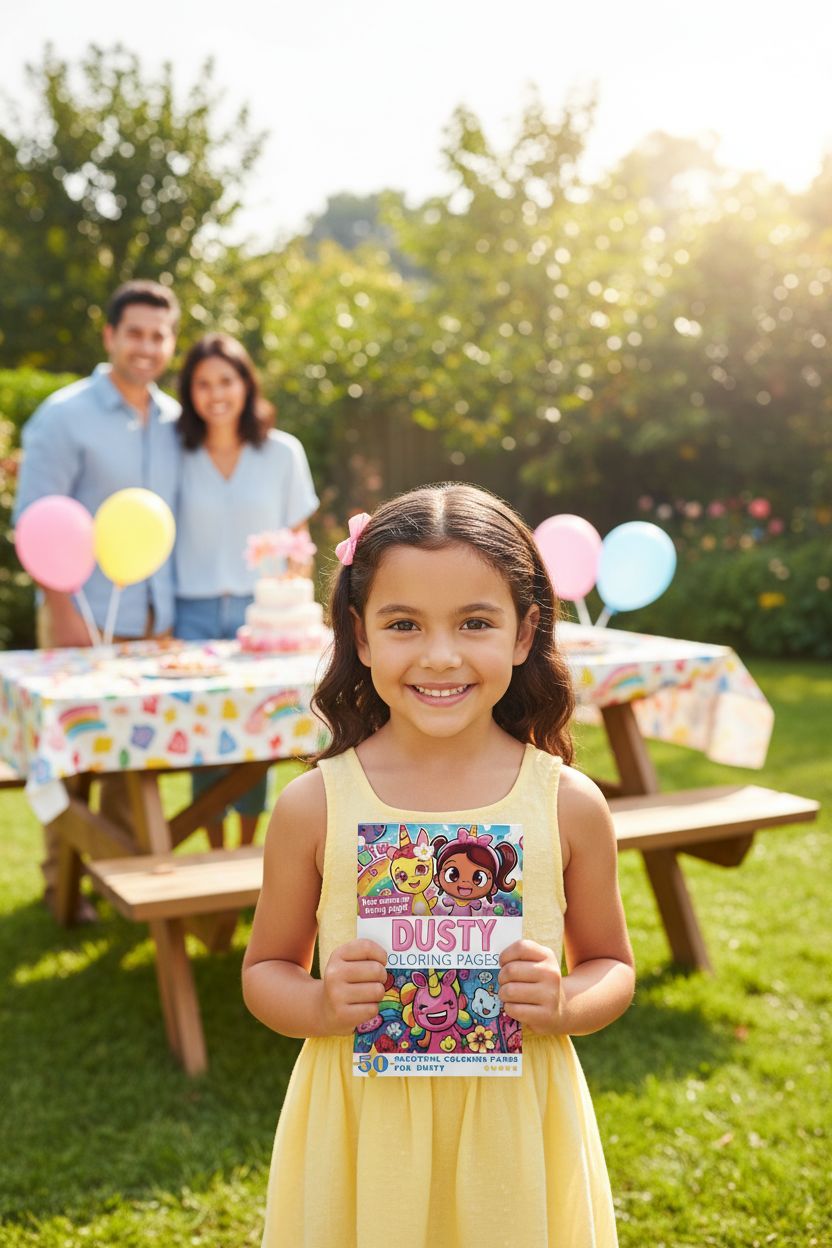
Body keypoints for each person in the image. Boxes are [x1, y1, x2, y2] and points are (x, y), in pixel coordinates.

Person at [242, 483, 636, 1247]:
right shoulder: (314, 805)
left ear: (525, 633)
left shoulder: (569, 804)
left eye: (475, 623)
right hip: (364, 1134)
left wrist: (565, 1002)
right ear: (360, 635)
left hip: (514, 1135)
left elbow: (612, 964)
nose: (441, 655)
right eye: (404, 624)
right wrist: (321, 1005)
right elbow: (265, 972)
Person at [13, 280, 181, 918]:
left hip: (149, 616)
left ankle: (119, 874)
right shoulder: (63, 415)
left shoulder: (172, 420)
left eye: (158, 335)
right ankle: (63, 882)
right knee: (68, 752)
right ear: (109, 336)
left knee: (129, 750)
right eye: (134, 333)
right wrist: (61, 614)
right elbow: (38, 520)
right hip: (77, 614)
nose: (146, 346)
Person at [174, 333, 319, 846]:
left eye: (226, 380)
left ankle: (248, 847)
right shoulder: (177, 451)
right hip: (189, 615)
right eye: (203, 383)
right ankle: (213, 848)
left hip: (264, 618)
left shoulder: (282, 452)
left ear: (246, 384)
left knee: (257, 734)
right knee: (205, 740)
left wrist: (295, 613)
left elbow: (298, 541)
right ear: (189, 391)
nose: (216, 393)